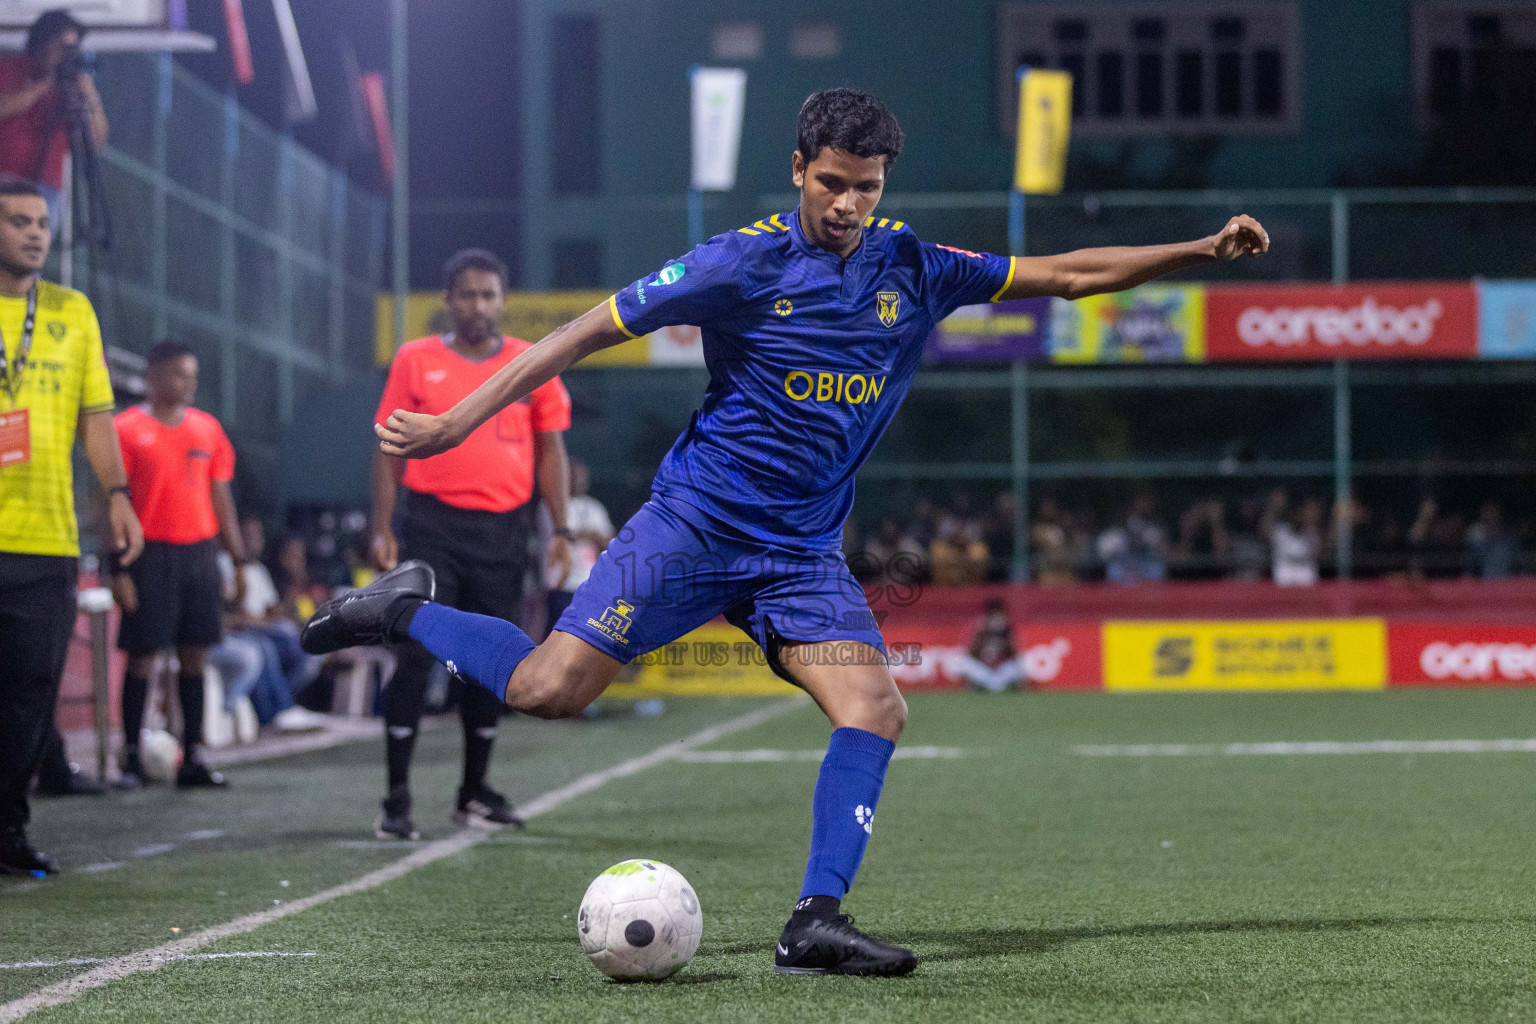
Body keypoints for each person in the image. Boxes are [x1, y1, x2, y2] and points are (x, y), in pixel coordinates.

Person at [306, 88, 1269, 975]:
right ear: (800, 167)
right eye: (833, 183)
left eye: (868, 187)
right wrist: (458, 421)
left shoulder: (914, 267)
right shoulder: (740, 260)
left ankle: (815, 919)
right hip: (689, 527)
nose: (849, 204)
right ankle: (405, 613)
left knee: (876, 707)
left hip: (799, 556)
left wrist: (1198, 251)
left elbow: (1066, 275)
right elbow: (585, 331)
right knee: (546, 690)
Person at [368, 248, 574, 841]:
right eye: (468, 294)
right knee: (412, 654)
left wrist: (557, 529)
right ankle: (397, 797)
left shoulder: (531, 364)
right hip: (430, 526)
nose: (479, 304)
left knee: (491, 659)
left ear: (503, 301)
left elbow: (550, 451)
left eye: (489, 294)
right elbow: (387, 446)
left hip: (504, 531)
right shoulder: (415, 359)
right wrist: (382, 527)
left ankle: (473, 791)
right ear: (448, 301)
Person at [0, 178, 141, 877]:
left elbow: (96, 416)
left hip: (46, 538)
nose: (34, 233)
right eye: (18, 221)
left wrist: (116, 493)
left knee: (29, 695)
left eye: (41, 222)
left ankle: (7, 831)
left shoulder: (71, 311)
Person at [111, 341, 245, 789]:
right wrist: (118, 569)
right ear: (152, 376)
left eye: (192, 375)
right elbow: (110, 502)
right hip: (147, 555)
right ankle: (130, 758)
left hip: (199, 555)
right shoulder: (125, 429)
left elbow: (221, 497)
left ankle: (195, 756)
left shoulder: (208, 429)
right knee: (143, 657)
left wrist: (238, 559)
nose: (187, 384)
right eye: (177, 375)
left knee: (195, 655)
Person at [0, 10, 108, 230]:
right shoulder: (9, 67)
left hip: (46, 188)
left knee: (30, 256)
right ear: (42, 42)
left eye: (72, 48)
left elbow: (97, 141)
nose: (66, 54)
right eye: (62, 46)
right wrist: (42, 86)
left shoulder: (70, 86)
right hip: (5, 178)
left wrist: (91, 97)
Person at [545, 460, 614, 628]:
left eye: (582, 477)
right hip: (561, 583)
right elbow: (563, 535)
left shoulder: (595, 506)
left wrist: (591, 536)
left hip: (589, 584)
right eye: (574, 475)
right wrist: (593, 535)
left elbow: (610, 541)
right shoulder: (554, 505)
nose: (578, 481)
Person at [951, 598, 1027, 692]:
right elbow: (971, 653)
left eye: (999, 615)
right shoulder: (978, 627)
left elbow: (1015, 654)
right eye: (993, 615)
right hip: (984, 672)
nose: (996, 619)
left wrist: (1006, 635)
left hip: (1002, 672)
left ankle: (1015, 688)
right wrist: (983, 633)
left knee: (1021, 661)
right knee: (964, 662)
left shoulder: (1008, 628)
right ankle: (974, 689)